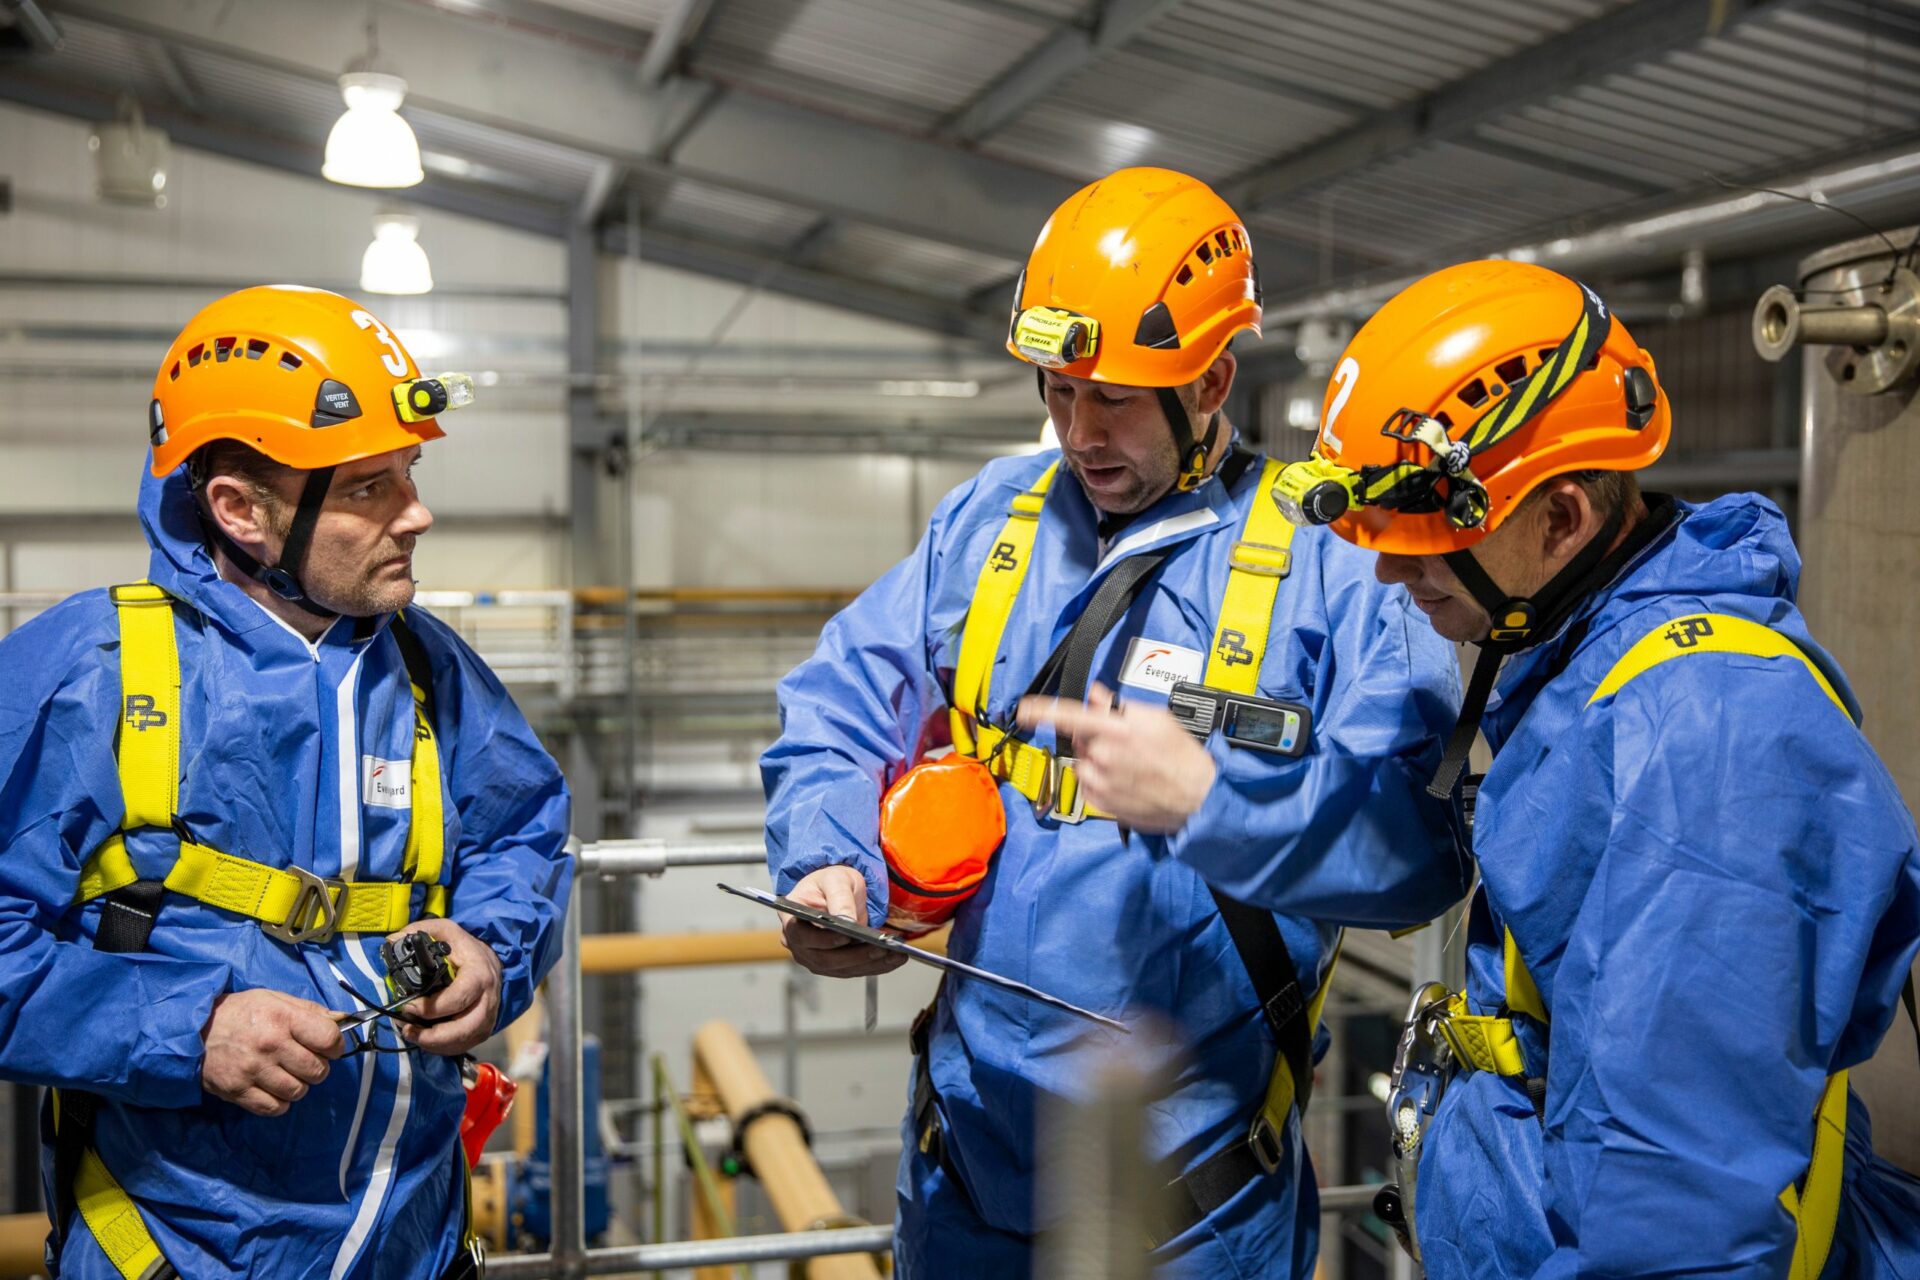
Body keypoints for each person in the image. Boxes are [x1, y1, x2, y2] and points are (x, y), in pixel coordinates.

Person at [761, 167, 1468, 1277]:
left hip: (1191, 1199)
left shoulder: (1339, 569)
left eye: (1116, 399)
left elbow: (1420, 847)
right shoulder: (993, 520)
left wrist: (1215, 803)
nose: (1079, 431)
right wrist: (829, 860)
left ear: (1212, 379)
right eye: (1057, 390)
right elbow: (840, 697)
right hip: (966, 1165)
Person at [1260, 258, 1920, 1276]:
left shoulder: (1704, 745)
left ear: (1561, 518)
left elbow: (1679, 1229)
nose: (1389, 571)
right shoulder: (1583, 670)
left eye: (1429, 536)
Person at [0, 285, 575, 1278]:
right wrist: (192, 1028)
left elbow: (521, 836)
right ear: (241, 510)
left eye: (411, 471)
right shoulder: (91, 672)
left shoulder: (431, 670)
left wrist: (490, 947)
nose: (418, 512)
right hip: (178, 1249)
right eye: (367, 487)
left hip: (419, 1242)